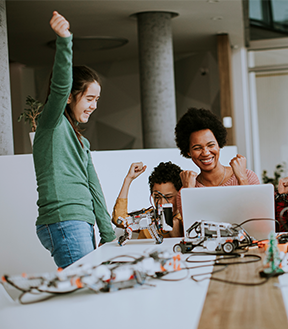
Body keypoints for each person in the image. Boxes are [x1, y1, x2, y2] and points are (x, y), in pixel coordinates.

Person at [33, 12, 115, 269]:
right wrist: (65, 41)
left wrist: (108, 233)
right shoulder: (51, 122)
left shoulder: (81, 142)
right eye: (89, 98)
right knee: (84, 295)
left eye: (97, 100)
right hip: (64, 221)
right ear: (69, 97)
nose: (93, 106)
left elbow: (94, 188)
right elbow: (59, 85)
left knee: (88, 292)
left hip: (81, 221)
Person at [174, 108, 260, 212]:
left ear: (219, 144)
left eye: (211, 145)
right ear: (188, 152)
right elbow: (190, 226)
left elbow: (256, 217)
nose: (205, 153)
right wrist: (188, 191)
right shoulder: (187, 189)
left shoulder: (247, 176)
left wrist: (242, 179)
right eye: (197, 148)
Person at [112, 161, 184, 238]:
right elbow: (118, 219)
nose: (162, 203)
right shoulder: (148, 217)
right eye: (157, 197)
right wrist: (128, 179)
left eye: (169, 197)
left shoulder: (185, 220)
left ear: (179, 195)